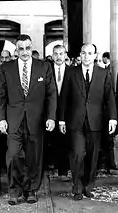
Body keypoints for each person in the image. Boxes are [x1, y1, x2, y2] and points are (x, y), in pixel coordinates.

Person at [0, 34, 57, 205]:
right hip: (14, 120)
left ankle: (31, 190)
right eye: (21, 48)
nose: (24, 52)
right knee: (14, 156)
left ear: (32, 47)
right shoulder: (6, 68)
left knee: (34, 157)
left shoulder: (44, 67)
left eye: (27, 48)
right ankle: (14, 191)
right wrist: (2, 119)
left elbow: (51, 95)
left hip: (36, 121)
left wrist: (51, 117)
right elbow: (0, 96)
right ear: (16, 50)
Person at [59, 43, 117, 201]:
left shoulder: (104, 73)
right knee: (78, 153)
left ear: (95, 55)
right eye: (83, 53)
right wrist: (62, 119)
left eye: (89, 53)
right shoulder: (71, 72)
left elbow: (110, 97)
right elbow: (64, 96)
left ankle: (88, 185)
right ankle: (77, 187)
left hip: (96, 121)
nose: (86, 56)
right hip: (75, 121)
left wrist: (113, 118)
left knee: (92, 156)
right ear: (80, 54)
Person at [46, 45, 70, 180]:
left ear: (65, 55)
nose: (59, 56)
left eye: (61, 53)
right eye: (56, 54)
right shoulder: (46, 70)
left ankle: (63, 170)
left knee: (64, 141)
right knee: (49, 139)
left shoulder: (72, 71)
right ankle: (49, 164)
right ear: (52, 55)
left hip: (66, 112)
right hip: (49, 110)